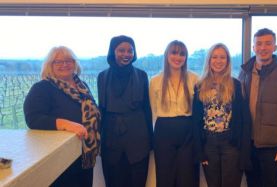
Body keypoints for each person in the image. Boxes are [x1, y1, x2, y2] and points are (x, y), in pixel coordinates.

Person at [24, 46, 100, 187]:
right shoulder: (42, 88)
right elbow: (33, 119)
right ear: (49, 66)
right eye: (58, 62)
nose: (64, 64)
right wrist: (66, 124)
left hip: (84, 153)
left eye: (68, 60)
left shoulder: (82, 86)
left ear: (75, 63)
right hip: (60, 157)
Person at [238, 28, 277, 187]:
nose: (263, 48)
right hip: (248, 144)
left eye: (268, 43)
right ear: (253, 47)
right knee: (251, 183)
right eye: (259, 44)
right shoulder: (244, 73)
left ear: (275, 47)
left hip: (272, 147)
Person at [192, 43, 251, 187]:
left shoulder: (236, 85)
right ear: (209, 60)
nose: (218, 61)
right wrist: (199, 151)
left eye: (222, 57)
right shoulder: (200, 86)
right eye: (215, 57)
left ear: (228, 61)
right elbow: (196, 121)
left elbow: (245, 121)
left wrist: (244, 153)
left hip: (231, 144)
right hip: (208, 144)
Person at [98, 35, 153, 187]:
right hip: (111, 139)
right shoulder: (102, 77)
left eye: (130, 50)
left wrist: (151, 139)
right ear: (112, 51)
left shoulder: (141, 75)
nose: (126, 54)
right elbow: (101, 108)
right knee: (113, 181)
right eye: (121, 50)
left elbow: (147, 108)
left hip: (138, 139)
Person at [149, 40, 199, 187]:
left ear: (186, 57)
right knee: (165, 175)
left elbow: (198, 110)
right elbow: (153, 110)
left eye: (182, 54)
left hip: (188, 131)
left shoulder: (194, 79)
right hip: (163, 131)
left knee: (187, 175)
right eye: (174, 53)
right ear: (167, 55)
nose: (178, 57)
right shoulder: (155, 81)